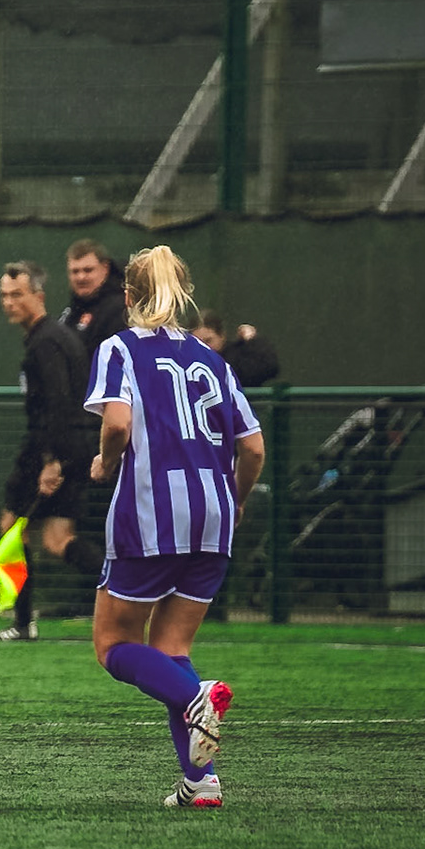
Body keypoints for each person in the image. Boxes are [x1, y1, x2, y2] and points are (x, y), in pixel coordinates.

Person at [87, 245, 265, 809]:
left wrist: (104, 463)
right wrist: (236, 501)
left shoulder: (119, 348)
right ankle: (201, 783)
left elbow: (118, 424)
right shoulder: (213, 359)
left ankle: (196, 696)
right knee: (171, 646)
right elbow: (253, 448)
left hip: (151, 513)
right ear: (182, 291)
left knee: (113, 644)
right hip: (215, 514)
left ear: (127, 296)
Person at [0, 260, 105, 640]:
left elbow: (59, 404)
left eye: (17, 295)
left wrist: (51, 462)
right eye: (4, 295)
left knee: (12, 528)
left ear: (38, 296)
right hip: (72, 447)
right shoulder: (54, 336)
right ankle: (130, 591)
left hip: (51, 449)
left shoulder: (47, 342)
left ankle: (23, 622)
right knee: (57, 540)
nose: (9, 302)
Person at [59, 238, 127, 357]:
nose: (81, 277)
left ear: (105, 268)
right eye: (75, 271)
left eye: (88, 270)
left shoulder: (120, 308)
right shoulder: (72, 311)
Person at [196, 311, 280, 388]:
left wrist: (252, 341)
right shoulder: (190, 362)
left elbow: (269, 367)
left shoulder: (237, 355)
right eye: (197, 342)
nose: (203, 346)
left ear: (221, 336)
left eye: (208, 341)